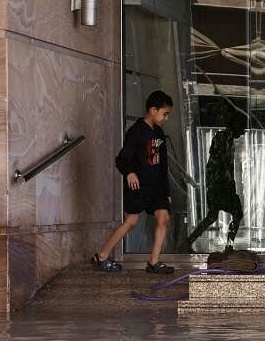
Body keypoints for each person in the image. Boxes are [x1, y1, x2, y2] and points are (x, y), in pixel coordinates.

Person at [91, 90, 176, 274]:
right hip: (138, 186)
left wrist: (167, 192)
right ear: (153, 110)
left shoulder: (159, 134)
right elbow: (122, 159)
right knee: (131, 221)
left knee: (164, 218)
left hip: (157, 187)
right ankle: (102, 256)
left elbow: (163, 166)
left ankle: (153, 262)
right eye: (165, 114)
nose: (166, 118)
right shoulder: (136, 131)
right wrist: (129, 173)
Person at [186, 108, 245, 253]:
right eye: (241, 127)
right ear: (235, 125)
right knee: (236, 213)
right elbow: (219, 163)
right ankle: (229, 246)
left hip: (219, 186)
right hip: (221, 187)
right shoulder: (223, 138)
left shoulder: (226, 139)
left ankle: (190, 241)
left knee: (213, 216)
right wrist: (223, 185)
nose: (243, 132)